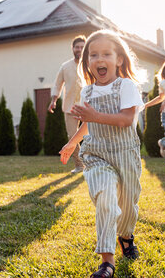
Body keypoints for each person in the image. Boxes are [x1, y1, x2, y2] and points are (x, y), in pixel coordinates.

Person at [59, 30, 142, 278]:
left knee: (127, 207)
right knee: (105, 197)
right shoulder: (87, 92)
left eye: (106, 53)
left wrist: (94, 116)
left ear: (119, 60)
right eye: (93, 55)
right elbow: (87, 124)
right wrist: (73, 142)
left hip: (125, 155)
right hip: (96, 155)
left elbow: (127, 119)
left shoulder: (126, 86)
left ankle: (125, 236)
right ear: (87, 63)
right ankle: (107, 261)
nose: (99, 59)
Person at [49, 35, 86, 174]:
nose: (80, 49)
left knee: (92, 135)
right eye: (77, 47)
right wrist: (53, 100)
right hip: (70, 107)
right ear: (73, 48)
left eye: (82, 47)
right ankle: (80, 165)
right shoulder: (65, 66)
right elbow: (57, 84)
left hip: (88, 106)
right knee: (73, 137)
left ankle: (93, 162)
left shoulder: (90, 64)